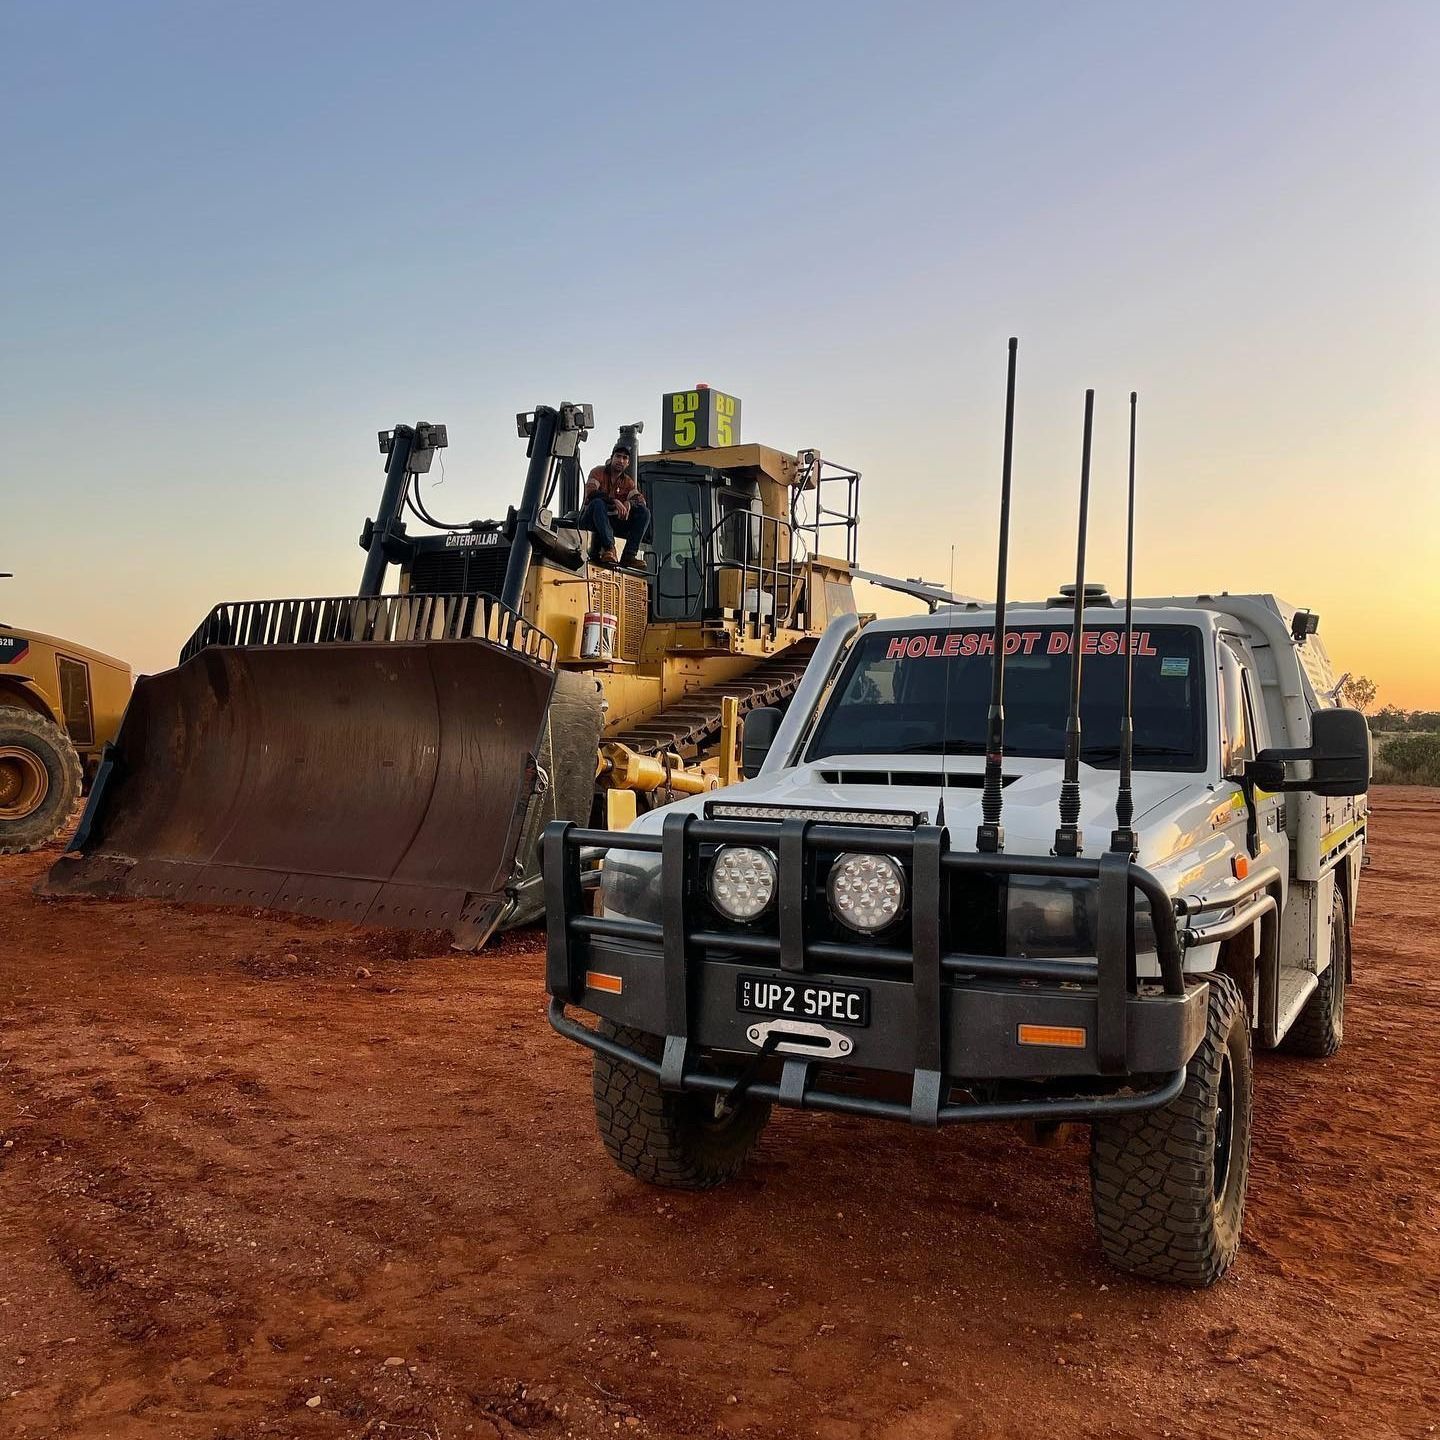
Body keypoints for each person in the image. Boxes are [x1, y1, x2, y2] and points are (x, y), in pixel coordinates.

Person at [582, 445, 651, 568]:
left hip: (611, 523)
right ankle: (609, 548)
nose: (621, 460)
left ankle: (629, 555)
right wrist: (614, 501)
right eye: (618, 456)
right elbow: (591, 493)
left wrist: (629, 503)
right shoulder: (598, 472)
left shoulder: (628, 482)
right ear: (611, 458)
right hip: (590, 521)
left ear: (628, 463)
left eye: (625, 458)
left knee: (644, 512)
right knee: (598, 503)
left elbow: (640, 500)